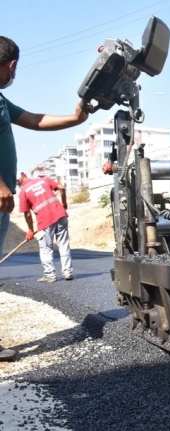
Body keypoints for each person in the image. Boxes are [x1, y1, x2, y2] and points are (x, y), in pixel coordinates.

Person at [0, 35, 91, 361]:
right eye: (15, 69)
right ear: (11, 65)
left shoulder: (0, 101)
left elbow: (35, 120)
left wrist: (75, 118)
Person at [18, 174, 72, 282]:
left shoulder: (23, 192)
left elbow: (27, 214)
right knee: (63, 244)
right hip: (60, 214)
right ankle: (67, 272)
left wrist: (30, 230)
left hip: (45, 220)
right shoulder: (44, 180)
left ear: (19, 181)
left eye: (16, 183)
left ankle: (50, 274)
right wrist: (64, 203)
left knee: (45, 248)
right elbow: (62, 188)